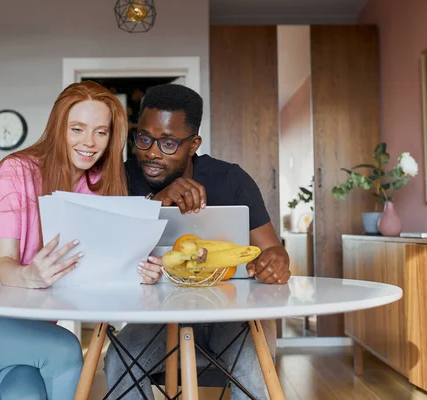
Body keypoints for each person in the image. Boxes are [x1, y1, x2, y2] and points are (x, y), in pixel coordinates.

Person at [0, 81, 132, 400]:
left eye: (100, 132)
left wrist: (138, 265)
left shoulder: (99, 188)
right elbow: (4, 263)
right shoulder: (18, 171)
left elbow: (101, 268)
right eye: (77, 128)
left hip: (24, 329)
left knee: (27, 393)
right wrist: (29, 275)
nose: (89, 142)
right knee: (63, 347)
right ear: (58, 127)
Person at [105, 83, 291, 399]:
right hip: (158, 316)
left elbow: (271, 248)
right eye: (144, 138)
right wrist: (155, 205)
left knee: (254, 365)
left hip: (230, 315)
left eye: (167, 143)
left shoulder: (231, 179)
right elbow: (108, 254)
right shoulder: (121, 177)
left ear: (193, 145)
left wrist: (276, 261)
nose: (151, 151)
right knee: (116, 360)